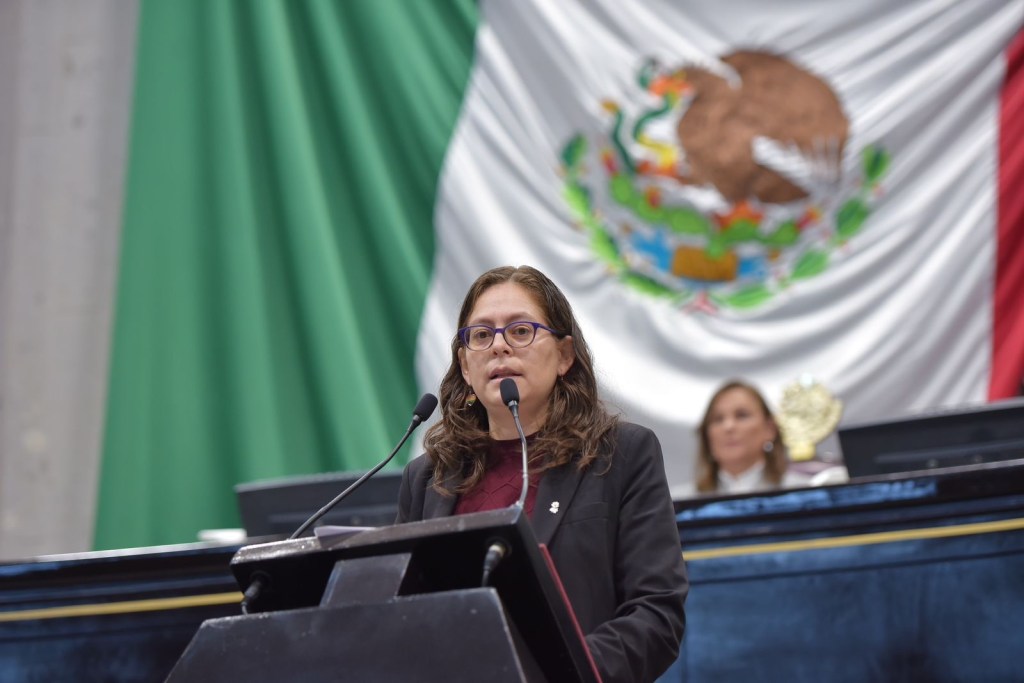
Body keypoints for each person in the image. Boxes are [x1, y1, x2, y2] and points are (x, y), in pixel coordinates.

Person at [397, 265, 688, 683]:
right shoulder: (427, 479)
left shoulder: (622, 454)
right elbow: (404, 619)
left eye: (520, 331)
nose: (499, 347)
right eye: (481, 335)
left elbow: (656, 614)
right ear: (465, 366)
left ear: (565, 355)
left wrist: (556, 672)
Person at [694, 380, 811, 494]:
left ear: (769, 429)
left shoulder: (802, 494)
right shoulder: (685, 500)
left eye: (742, 415)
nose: (728, 426)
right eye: (718, 419)